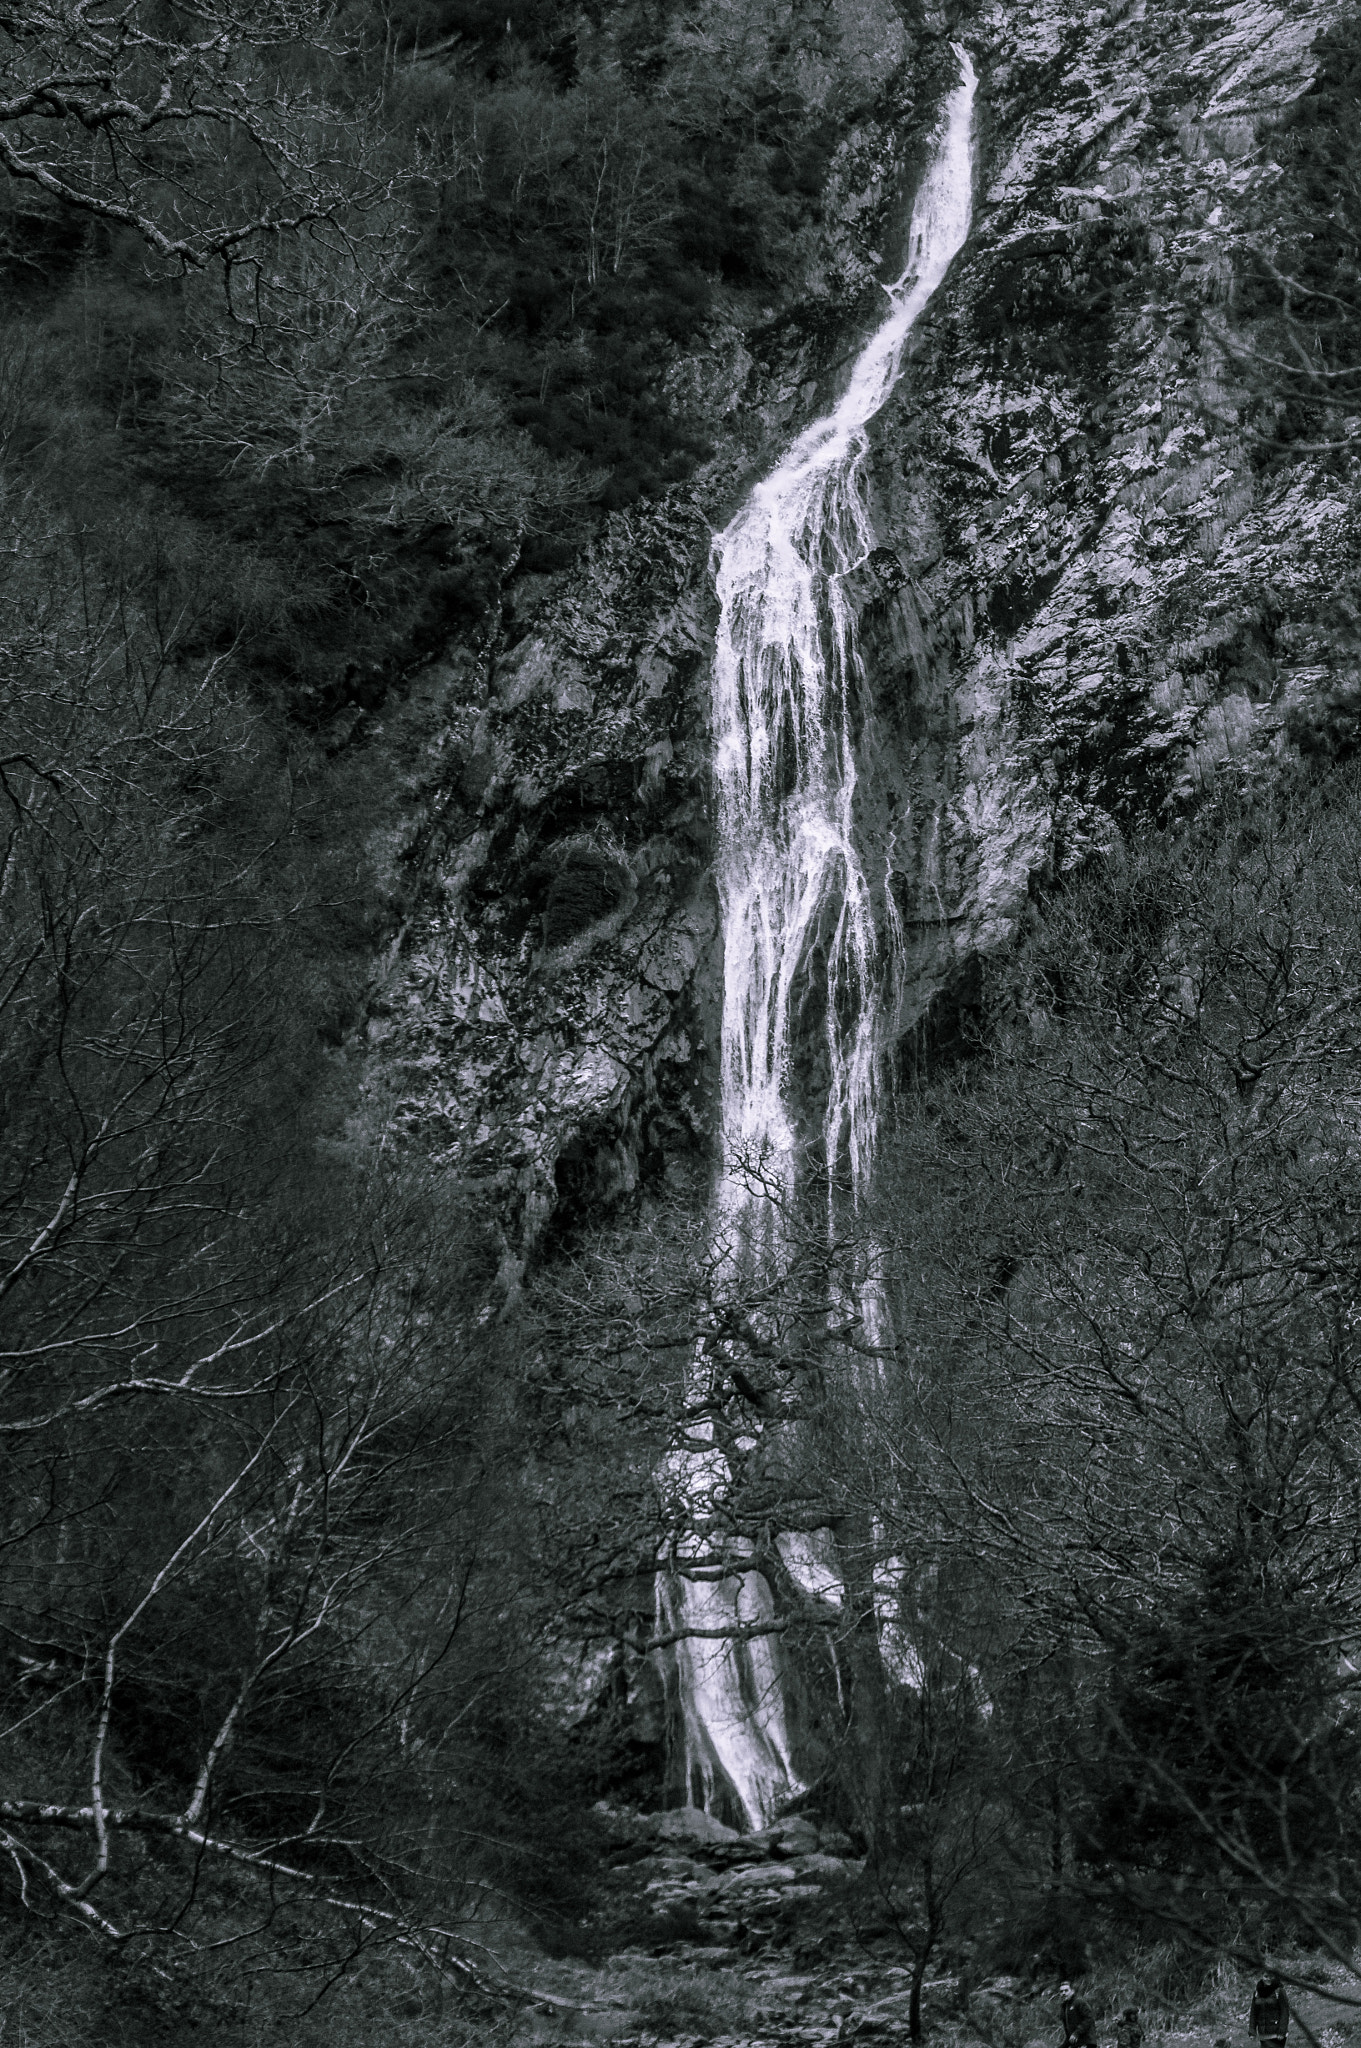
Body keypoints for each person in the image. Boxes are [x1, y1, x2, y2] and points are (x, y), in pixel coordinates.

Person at [1250, 1972, 1289, 2048]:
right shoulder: (1257, 1992)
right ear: (1262, 1977)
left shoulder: (1279, 1991)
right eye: (1266, 1976)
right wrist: (1252, 2030)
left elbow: (1285, 2012)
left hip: (1277, 2035)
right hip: (1263, 2035)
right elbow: (1253, 2013)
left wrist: (1282, 2031)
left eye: (1271, 1976)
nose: (1268, 1979)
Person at [1060, 1983, 1098, 2048]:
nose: (1063, 1993)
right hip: (1075, 2043)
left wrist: (1077, 2033)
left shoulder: (1079, 2002)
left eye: (1066, 1990)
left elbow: (1089, 2018)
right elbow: (1069, 2033)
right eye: (1061, 1991)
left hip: (1086, 2042)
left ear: (1072, 1991)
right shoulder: (1064, 2007)